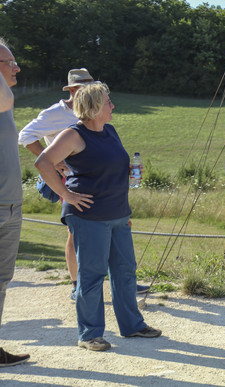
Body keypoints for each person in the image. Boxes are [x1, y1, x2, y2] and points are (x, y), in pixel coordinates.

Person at [35, 82, 161, 351]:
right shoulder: (73, 134)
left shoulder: (110, 131)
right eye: (107, 102)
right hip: (88, 215)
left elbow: (110, 168)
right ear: (93, 108)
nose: (112, 105)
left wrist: (125, 193)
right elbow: (43, 162)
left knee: (125, 271)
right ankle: (90, 335)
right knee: (92, 276)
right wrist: (66, 195)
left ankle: (133, 326)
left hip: (117, 214)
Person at [19, 68, 149, 300]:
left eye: (92, 86)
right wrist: (56, 162)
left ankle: (121, 282)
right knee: (75, 232)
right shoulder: (55, 114)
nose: (89, 91)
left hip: (100, 182)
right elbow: (26, 136)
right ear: (71, 90)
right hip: (73, 183)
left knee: (110, 229)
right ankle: (77, 284)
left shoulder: (102, 120)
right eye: (83, 87)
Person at [0, 37, 30, 366]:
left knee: (1, 282)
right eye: (10, 63)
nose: (17, 68)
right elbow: (5, 96)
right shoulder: (2, 97)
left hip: (10, 204)